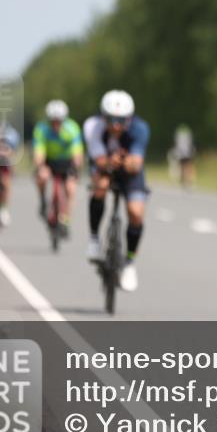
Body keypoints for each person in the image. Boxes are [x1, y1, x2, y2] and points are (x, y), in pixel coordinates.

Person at [83, 90, 150, 292]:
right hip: (104, 168)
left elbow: (136, 164)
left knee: (136, 213)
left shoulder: (140, 128)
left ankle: (130, 262)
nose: (116, 125)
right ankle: (94, 239)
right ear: (103, 117)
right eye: (111, 120)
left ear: (130, 119)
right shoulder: (93, 126)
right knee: (101, 187)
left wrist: (126, 163)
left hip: (129, 174)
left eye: (122, 120)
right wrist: (111, 163)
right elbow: (100, 159)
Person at [33, 99, 84, 234]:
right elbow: (39, 152)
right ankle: (43, 199)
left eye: (59, 121)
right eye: (53, 121)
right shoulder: (42, 129)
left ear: (64, 120)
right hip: (49, 160)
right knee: (42, 176)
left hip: (67, 161)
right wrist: (40, 166)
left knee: (70, 188)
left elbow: (77, 152)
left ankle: (66, 219)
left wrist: (76, 168)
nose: (56, 124)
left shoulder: (72, 128)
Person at [0, 122, 20, 226]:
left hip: (4, 164)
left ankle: (4, 209)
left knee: (6, 183)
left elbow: (12, 154)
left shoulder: (11, 138)